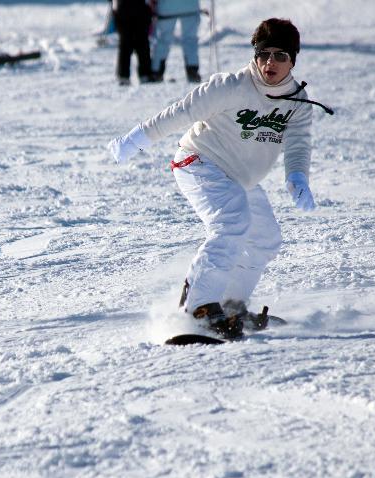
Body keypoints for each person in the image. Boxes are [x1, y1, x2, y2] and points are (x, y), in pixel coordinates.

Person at [108, 18, 333, 338]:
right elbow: (181, 112)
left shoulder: (297, 103)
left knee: (266, 237)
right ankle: (198, 307)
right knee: (231, 222)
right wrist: (136, 139)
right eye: (264, 54)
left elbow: (298, 143)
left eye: (281, 56)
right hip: (199, 162)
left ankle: (230, 304)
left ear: (293, 60)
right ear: (255, 56)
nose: (271, 62)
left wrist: (297, 175)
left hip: (240, 179)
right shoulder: (232, 86)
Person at [151, 0, 201, 83]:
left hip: (166, 7)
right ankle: (192, 70)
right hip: (190, 6)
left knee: (164, 39)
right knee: (190, 39)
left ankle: (157, 72)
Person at [110, 0, 154, 85]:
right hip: (140, 10)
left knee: (125, 45)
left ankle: (123, 76)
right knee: (142, 44)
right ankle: (144, 75)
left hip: (122, 9)